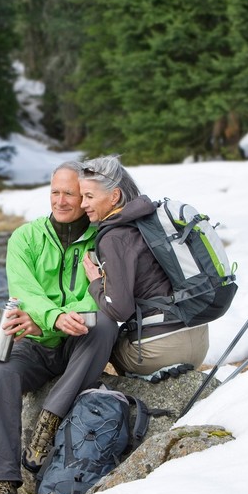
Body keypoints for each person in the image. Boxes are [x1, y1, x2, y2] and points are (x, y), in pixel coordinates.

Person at [0, 161, 116, 494]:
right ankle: (1, 481)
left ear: (85, 197)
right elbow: (24, 291)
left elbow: (103, 294)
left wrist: (67, 318)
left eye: (69, 193)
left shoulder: (104, 238)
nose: (60, 200)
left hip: (79, 342)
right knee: (2, 372)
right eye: (55, 192)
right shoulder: (25, 237)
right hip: (37, 340)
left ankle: (49, 420)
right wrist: (49, 320)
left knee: (104, 325)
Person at [79, 154, 209, 379]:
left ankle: (140, 395)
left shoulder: (113, 238)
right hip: (199, 338)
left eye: (89, 196)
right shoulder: (151, 220)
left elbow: (120, 309)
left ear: (114, 196)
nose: (83, 204)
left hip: (160, 350)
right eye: (82, 196)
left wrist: (95, 283)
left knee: (107, 340)